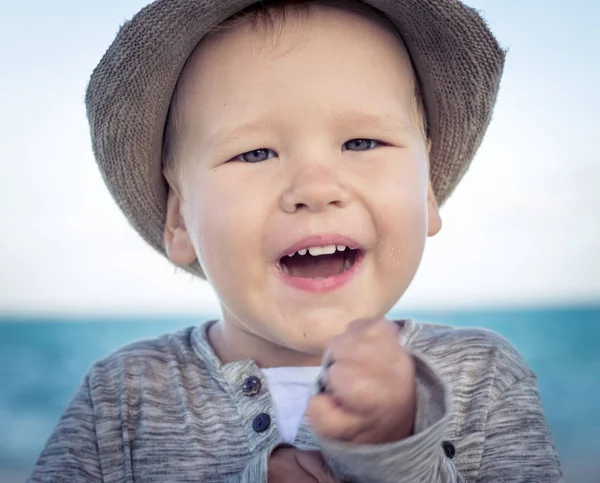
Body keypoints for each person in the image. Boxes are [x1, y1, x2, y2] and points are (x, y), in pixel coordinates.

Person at [29, 0, 563, 481]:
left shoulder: (483, 377)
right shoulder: (123, 396)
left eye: (361, 141)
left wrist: (399, 452)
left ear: (425, 191)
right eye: (255, 153)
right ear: (180, 221)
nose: (314, 189)